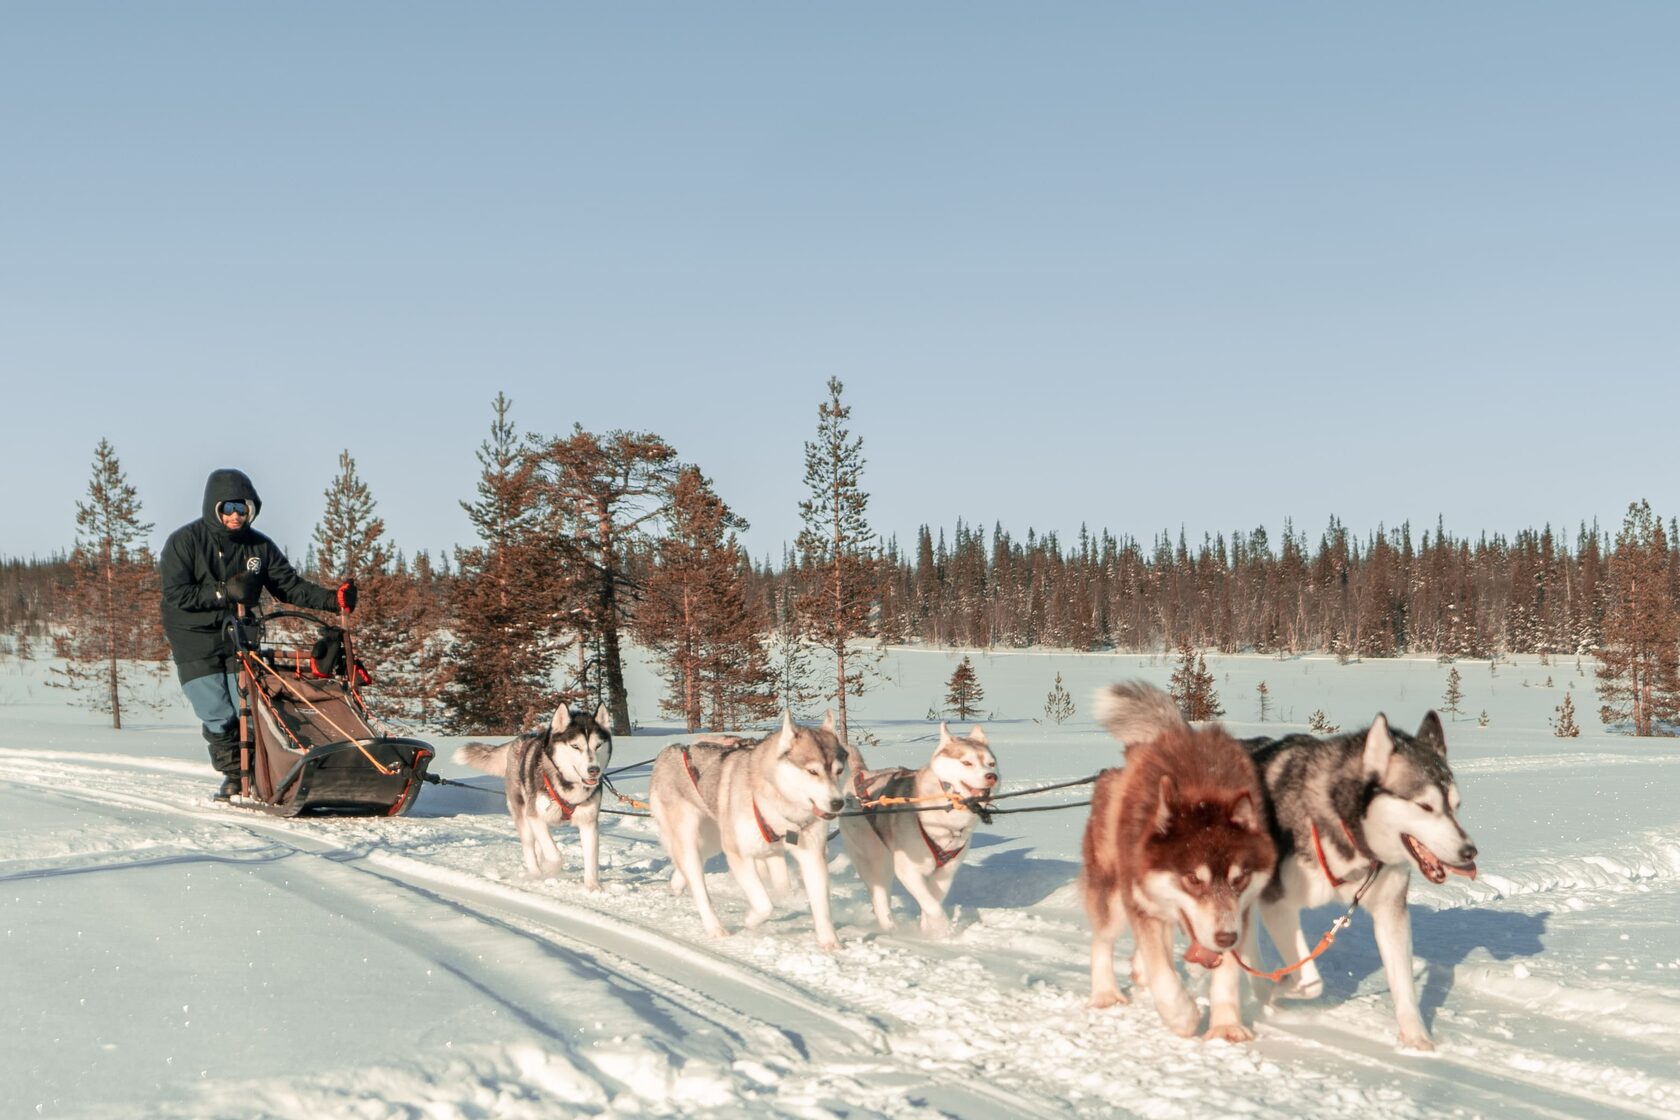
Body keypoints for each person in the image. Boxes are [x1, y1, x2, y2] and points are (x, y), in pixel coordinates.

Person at [159, 468, 358, 800]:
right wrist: (223, 591)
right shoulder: (185, 541)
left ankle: (259, 774)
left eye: (243, 508)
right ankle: (234, 775)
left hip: (239, 632)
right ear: (214, 507)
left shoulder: (259, 546)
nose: (236, 515)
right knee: (216, 710)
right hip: (192, 636)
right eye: (229, 507)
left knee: (248, 708)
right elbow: (176, 594)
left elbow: (288, 586)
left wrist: (331, 599)